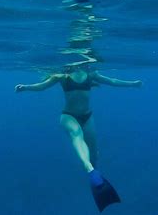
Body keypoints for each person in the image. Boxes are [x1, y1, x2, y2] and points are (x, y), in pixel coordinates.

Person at [15, 64, 142, 212]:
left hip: (87, 117)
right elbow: (42, 86)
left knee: (94, 156)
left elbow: (112, 81)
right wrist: (25, 87)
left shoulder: (91, 75)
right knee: (76, 135)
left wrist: (132, 84)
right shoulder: (62, 76)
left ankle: (95, 178)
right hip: (69, 116)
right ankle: (89, 169)